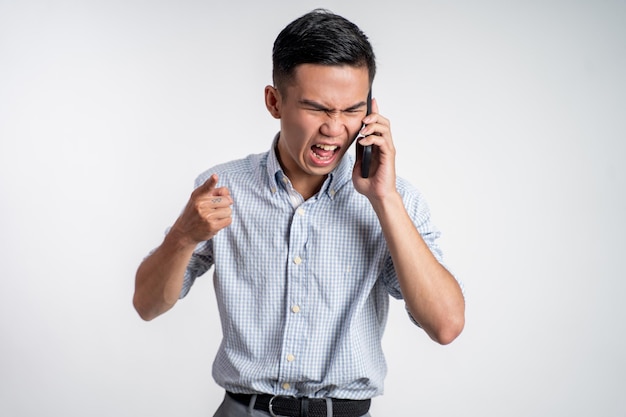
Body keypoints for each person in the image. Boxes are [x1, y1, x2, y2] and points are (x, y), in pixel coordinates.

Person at [133, 8, 465, 417]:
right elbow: (147, 305)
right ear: (275, 101)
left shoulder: (395, 200)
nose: (335, 128)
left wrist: (385, 200)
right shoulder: (223, 188)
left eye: (351, 110)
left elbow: (446, 326)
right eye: (318, 108)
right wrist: (183, 236)